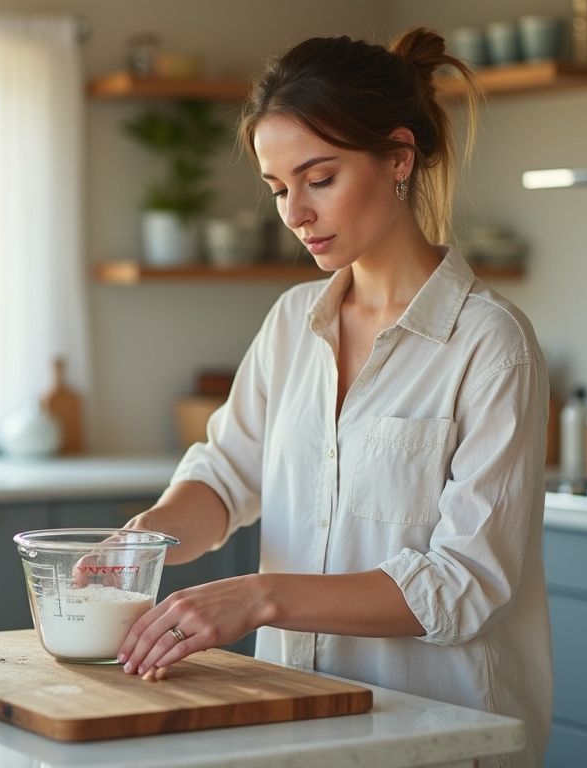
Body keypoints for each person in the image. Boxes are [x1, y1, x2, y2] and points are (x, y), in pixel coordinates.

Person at [115, 29, 551, 768]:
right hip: (295, 726)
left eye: (319, 178)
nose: (295, 213)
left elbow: (462, 583)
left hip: (439, 738)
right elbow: (227, 477)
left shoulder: (490, 343)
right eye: (280, 188)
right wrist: (142, 542)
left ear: (399, 157)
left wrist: (259, 598)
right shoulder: (292, 321)